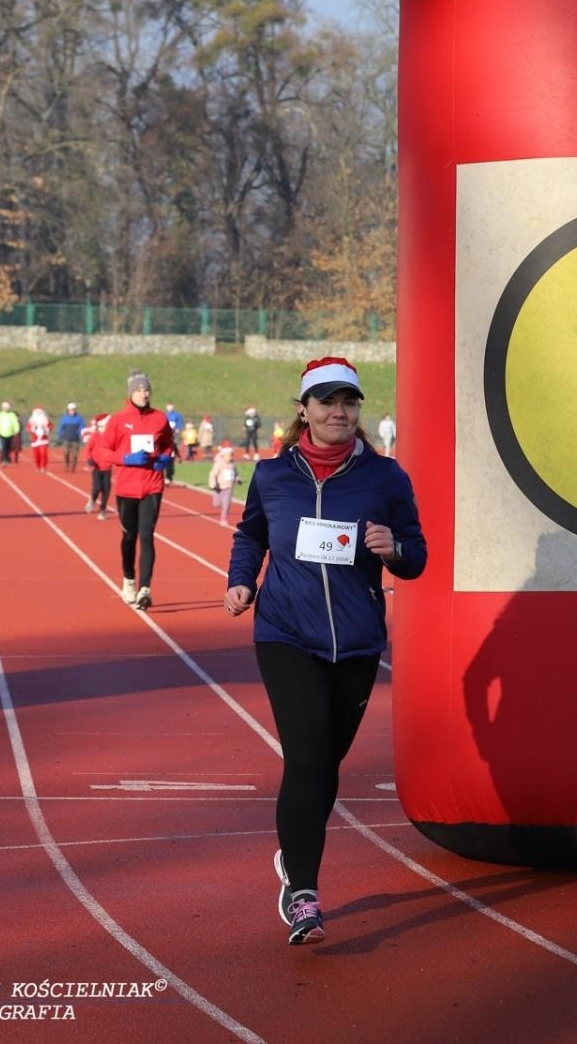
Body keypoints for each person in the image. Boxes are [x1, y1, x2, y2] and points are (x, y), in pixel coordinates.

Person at [225, 356, 427, 945]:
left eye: (349, 402)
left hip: (358, 643)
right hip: (286, 633)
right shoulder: (272, 475)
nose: (338, 412)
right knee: (308, 755)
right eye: (326, 401)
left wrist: (393, 550)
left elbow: (416, 557)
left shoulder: (387, 478)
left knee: (323, 765)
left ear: (359, 410)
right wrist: (242, 579)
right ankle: (305, 892)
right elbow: (252, 533)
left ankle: (293, 856)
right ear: (303, 409)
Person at [95, 371, 173, 610]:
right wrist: (125, 458)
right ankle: (129, 579)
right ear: (131, 393)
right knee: (129, 537)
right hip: (127, 488)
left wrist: (164, 459)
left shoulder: (159, 418)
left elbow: (169, 444)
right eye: (139, 389)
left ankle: (145, 589)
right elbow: (101, 451)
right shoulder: (118, 420)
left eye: (146, 389)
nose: (144, 393)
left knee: (147, 536)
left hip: (152, 485)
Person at [83, 412, 112, 519]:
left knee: (106, 489)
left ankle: (102, 510)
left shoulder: (111, 436)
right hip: (96, 467)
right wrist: (89, 460)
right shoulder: (95, 436)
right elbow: (87, 450)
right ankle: (92, 500)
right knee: (97, 487)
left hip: (107, 467)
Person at [207, 441, 239, 527]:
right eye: (229, 455)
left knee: (226, 504)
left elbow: (235, 473)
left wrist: (238, 479)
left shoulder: (233, 464)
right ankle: (222, 507)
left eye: (232, 455)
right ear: (223, 455)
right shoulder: (219, 464)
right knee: (216, 504)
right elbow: (213, 474)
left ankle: (224, 518)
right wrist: (213, 485)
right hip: (219, 488)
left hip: (229, 487)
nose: (231, 457)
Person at [57, 401, 87, 472]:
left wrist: (79, 432)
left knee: (74, 455)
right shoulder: (64, 418)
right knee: (66, 453)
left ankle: (73, 467)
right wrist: (61, 435)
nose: (72, 411)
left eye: (73, 409)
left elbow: (82, 426)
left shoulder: (79, 418)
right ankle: (66, 465)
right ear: (68, 410)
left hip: (75, 439)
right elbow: (61, 427)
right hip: (66, 439)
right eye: (71, 410)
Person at [0, 401, 21, 465]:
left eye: (7, 407)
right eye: (4, 407)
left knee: (8, 447)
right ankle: (4, 459)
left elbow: (15, 423)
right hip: (1, 434)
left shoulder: (12, 415)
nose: (6, 409)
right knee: (3, 447)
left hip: (10, 434)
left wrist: (16, 430)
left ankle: (7, 457)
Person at [163, 402, 185, 483]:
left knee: (173, 446)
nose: (169, 408)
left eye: (171, 406)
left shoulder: (177, 415)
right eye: (168, 406)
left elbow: (180, 423)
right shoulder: (165, 415)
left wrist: (177, 429)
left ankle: (169, 475)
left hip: (174, 433)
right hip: (166, 434)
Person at [27, 405, 52, 472]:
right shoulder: (31, 421)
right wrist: (33, 429)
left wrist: (45, 430)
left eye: (39, 413)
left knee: (43, 453)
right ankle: (38, 466)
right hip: (35, 440)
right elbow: (28, 429)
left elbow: (50, 427)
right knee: (37, 455)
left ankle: (43, 467)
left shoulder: (46, 420)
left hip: (44, 440)